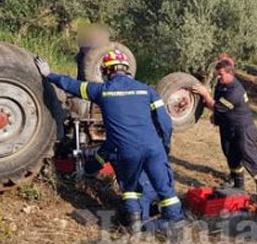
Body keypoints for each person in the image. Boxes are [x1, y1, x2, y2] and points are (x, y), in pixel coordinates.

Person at [35, 50, 184, 233]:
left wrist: (49, 74)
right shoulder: (147, 90)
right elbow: (165, 122)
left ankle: (135, 223)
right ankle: (174, 223)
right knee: (165, 188)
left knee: (130, 188)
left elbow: (72, 86)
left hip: (125, 150)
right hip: (153, 147)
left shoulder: (102, 91)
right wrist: (165, 145)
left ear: (106, 72)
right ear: (127, 70)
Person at [190, 56, 257, 204]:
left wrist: (205, 94)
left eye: (221, 74)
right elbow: (218, 107)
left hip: (243, 130)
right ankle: (238, 186)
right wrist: (216, 116)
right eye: (217, 74)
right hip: (228, 128)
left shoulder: (235, 90)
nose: (218, 77)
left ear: (230, 73)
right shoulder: (221, 86)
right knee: (232, 157)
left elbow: (214, 105)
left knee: (251, 160)